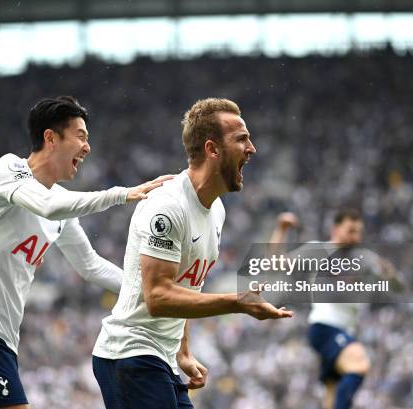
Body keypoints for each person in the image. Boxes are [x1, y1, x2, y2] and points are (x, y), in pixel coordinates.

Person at [0, 96, 170, 409]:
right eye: (81, 136)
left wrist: (146, 290)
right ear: (50, 138)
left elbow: (90, 266)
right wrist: (123, 194)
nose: (88, 147)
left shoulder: (62, 208)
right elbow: (47, 205)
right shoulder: (10, 170)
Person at [92, 98, 294, 409]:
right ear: (212, 149)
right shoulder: (168, 205)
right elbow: (159, 297)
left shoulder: (217, 211)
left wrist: (183, 350)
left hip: (160, 358)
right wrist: (237, 302)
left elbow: (184, 286)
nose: (252, 148)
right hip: (130, 353)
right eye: (242, 139)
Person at [270, 208, 401, 409]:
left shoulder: (364, 258)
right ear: (335, 229)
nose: (355, 237)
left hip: (344, 330)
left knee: (332, 395)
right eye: (351, 231)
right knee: (359, 363)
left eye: (359, 232)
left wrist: (391, 275)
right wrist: (281, 230)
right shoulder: (318, 251)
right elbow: (275, 264)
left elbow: (398, 286)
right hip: (325, 326)